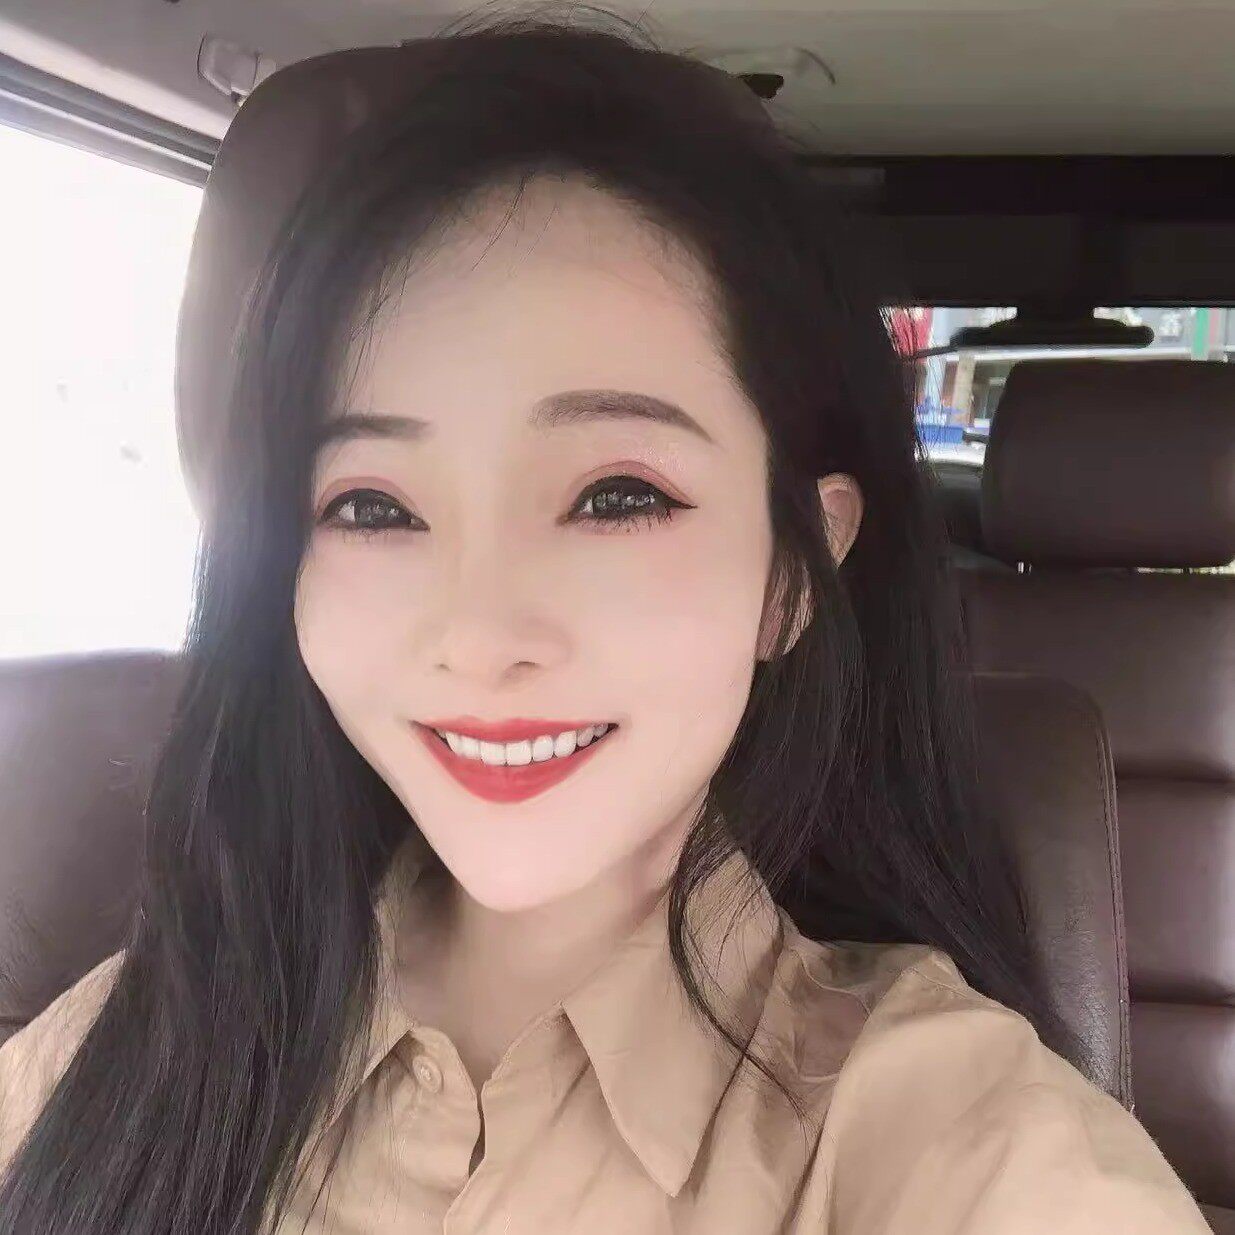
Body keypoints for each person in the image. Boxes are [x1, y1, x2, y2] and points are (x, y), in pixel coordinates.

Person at [0, 9, 1213, 1233]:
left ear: (794, 572)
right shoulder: (133, 1037)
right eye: (371, 504)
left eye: (615, 495)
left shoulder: (952, 1135)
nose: (479, 636)